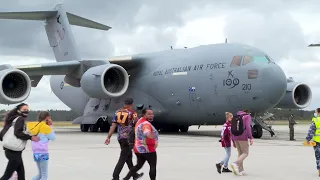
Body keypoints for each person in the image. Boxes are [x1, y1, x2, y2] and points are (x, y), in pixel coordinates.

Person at [105, 98, 144, 180]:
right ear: (132, 104)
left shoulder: (117, 112)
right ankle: (115, 176)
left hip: (120, 138)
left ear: (124, 103)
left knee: (128, 157)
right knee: (123, 158)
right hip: (129, 139)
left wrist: (108, 137)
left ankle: (134, 175)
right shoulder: (133, 113)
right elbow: (137, 126)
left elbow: (113, 125)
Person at [0, 103, 40, 180]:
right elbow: (18, 133)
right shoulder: (20, 119)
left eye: (27, 110)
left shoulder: (11, 120)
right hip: (14, 152)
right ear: (18, 110)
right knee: (7, 175)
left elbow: (2, 133)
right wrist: (30, 137)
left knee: (21, 174)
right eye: (24, 110)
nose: (26, 111)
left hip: (11, 151)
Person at [123, 108, 159, 180]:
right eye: (149, 114)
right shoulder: (146, 124)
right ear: (144, 114)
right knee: (152, 166)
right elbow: (146, 131)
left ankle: (126, 178)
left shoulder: (139, 121)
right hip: (148, 149)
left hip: (138, 149)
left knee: (138, 165)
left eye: (152, 114)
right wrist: (150, 135)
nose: (151, 115)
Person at [27, 111, 56, 180]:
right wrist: (50, 126)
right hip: (43, 152)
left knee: (40, 174)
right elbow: (53, 138)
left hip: (35, 152)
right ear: (47, 118)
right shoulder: (46, 127)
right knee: (44, 175)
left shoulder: (34, 126)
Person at [230, 109, 253, 176]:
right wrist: (251, 137)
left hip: (235, 136)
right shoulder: (247, 116)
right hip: (243, 137)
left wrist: (233, 140)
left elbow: (231, 129)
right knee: (245, 153)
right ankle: (235, 163)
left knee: (240, 153)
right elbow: (248, 127)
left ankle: (240, 170)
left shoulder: (235, 116)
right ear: (247, 112)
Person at [306, 108, 320, 176]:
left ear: (318, 113)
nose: (315, 113)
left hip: (317, 142)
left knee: (318, 156)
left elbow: (311, 131)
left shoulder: (316, 120)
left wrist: (308, 139)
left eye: (316, 112)